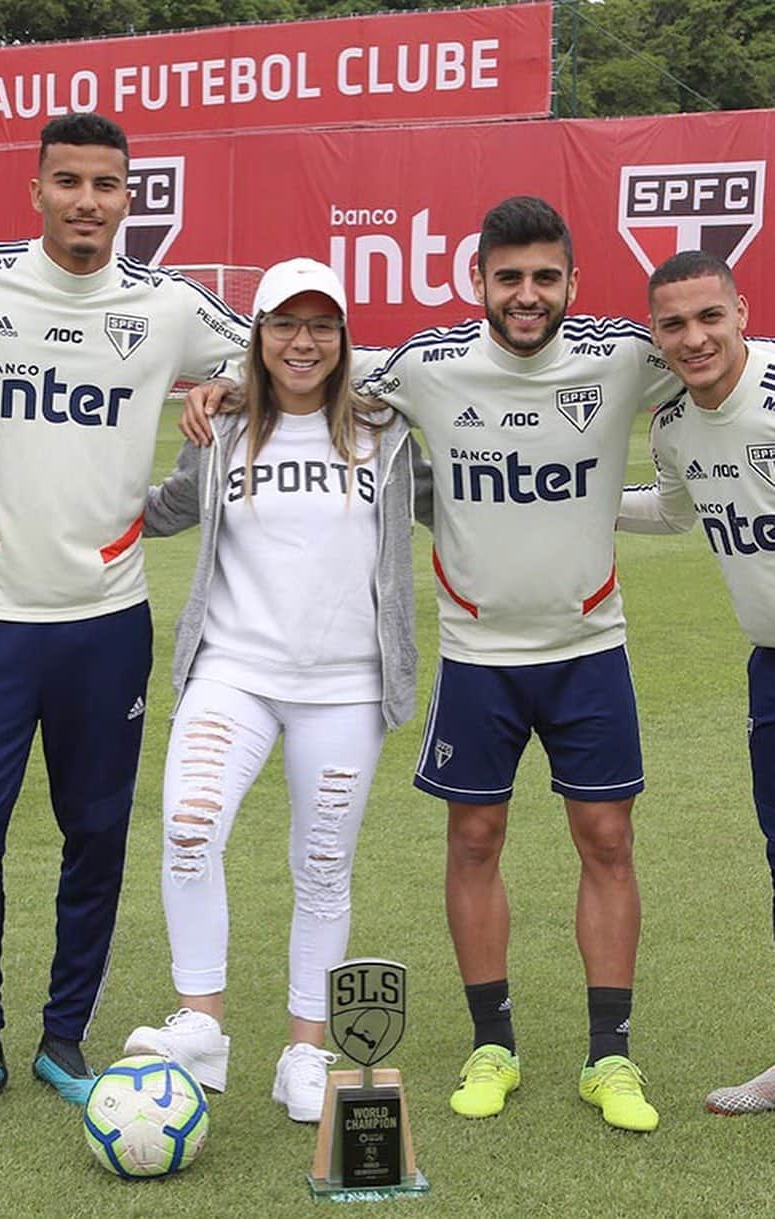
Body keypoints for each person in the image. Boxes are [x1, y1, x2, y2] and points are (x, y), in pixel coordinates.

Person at [183, 197, 678, 1131]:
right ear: (478, 281)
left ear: (571, 281)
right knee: (473, 842)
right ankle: (492, 1043)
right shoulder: (429, 365)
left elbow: (714, 358)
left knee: (607, 842)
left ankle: (608, 1058)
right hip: (476, 657)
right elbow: (308, 364)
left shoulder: (622, 356)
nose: (526, 296)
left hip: (588, 649)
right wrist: (224, 384)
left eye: (544, 277)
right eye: (508, 277)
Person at [0, 113, 253, 1124]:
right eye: (69, 182)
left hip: (108, 620)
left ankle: (62, 1036)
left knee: (94, 834)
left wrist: (231, 378)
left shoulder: (165, 304)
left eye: (107, 184)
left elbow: (295, 354)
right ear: (36, 189)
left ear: (129, 197)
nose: (87, 202)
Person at [120, 258, 432, 1122]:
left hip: (346, 687)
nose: (303, 341)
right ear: (256, 336)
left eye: (321, 325)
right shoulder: (218, 429)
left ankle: (304, 1048)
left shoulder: (386, 427)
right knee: (188, 827)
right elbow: (174, 506)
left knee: (322, 865)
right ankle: (202, 1024)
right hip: (234, 673)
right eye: (283, 325)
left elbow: (456, 505)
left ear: (343, 338)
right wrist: (74, 494)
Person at [617, 249, 775, 1115]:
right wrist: (575, 495)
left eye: (708, 316)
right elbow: (672, 509)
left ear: (740, 311)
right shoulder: (674, 425)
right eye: (673, 323)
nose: (693, 337)